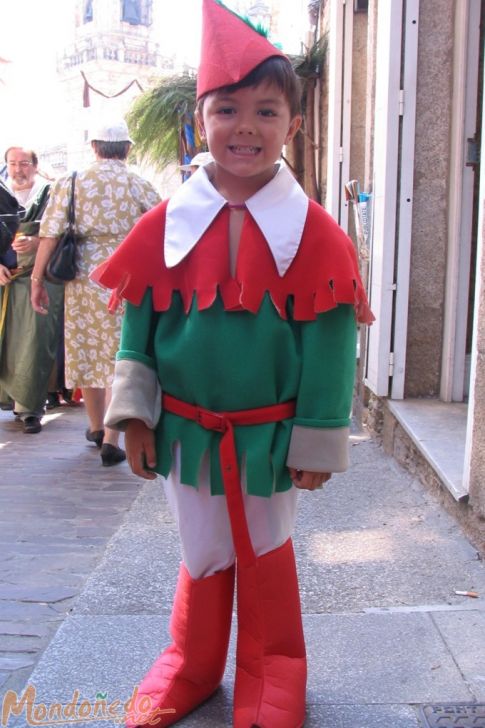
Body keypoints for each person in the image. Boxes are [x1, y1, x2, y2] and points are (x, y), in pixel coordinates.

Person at [92, 1, 373, 725]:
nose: (245, 126)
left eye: (266, 111)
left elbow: (330, 342)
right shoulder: (165, 224)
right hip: (185, 431)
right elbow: (139, 324)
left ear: (293, 126)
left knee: (269, 548)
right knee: (202, 546)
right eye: (227, 109)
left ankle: (274, 674)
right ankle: (190, 664)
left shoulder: (317, 236)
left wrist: (316, 437)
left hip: (269, 439)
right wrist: (133, 416)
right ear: (200, 119)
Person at [30, 119, 160, 465]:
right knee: (121, 349)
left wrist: (36, 280)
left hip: (82, 275)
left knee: (86, 348)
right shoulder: (137, 183)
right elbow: (164, 224)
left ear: (94, 147)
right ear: (128, 148)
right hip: (125, 273)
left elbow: (50, 233)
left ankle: (95, 426)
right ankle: (112, 437)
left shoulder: (70, 182)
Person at [0, 147, 63, 434]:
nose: (18, 169)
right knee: (8, 345)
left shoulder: (50, 193)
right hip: (5, 280)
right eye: (12, 164)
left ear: (35, 166)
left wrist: (37, 243)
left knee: (35, 343)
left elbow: (65, 232)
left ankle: (31, 409)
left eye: (24, 163)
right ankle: (12, 400)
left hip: (39, 279)